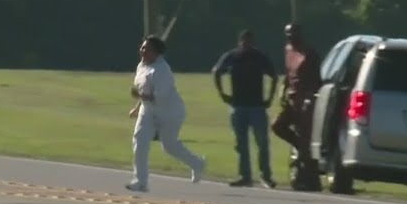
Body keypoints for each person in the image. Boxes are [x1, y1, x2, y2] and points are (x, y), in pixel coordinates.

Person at [126, 35, 206, 192]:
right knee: (140, 139)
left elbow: (159, 97)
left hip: (170, 112)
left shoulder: (163, 71)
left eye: (147, 49)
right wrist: (137, 107)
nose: (142, 51)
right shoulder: (141, 66)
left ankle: (197, 163)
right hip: (148, 110)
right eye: (142, 47)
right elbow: (144, 89)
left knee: (169, 146)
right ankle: (141, 181)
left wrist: (139, 96)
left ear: (157, 53)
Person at [213, 29, 278, 188]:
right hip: (238, 105)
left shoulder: (260, 57)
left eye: (250, 42)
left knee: (262, 142)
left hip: (257, 106)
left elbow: (274, 76)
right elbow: (217, 71)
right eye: (245, 42)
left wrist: (269, 98)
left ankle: (266, 176)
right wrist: (222, 93)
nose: (247, 45)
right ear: (240, 42)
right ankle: (245, 176)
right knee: (241, 143)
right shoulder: (232, 56)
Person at [271, 23, 322, 191]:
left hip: (306, 100)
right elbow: (288, 74)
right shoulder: (288, 50)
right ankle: (299, 146)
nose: (290, 37)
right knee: (277, 125)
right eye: (288, 34)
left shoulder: (310, 53)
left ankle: (310, 180)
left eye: (293, 34)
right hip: (292, 99)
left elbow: (317, 80)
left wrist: (310, 98)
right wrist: (283, 91)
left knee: (306, 141)